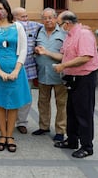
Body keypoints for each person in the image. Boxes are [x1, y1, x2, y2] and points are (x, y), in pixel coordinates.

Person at [0, 0, 30, 153]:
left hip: (16, 69)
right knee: (1, 103)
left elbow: (23, 49)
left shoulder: (18, 27)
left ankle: (10, 136)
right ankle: (2, 135)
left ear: (7, 10)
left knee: (13, 104)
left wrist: (17, 70)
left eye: (2, 8)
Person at [53, 11, 98, 158]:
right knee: (72, 110)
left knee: (84, 112)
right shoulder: (70, 35)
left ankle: (87, 146)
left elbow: (85, 57)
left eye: (59, 24)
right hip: (73, 77)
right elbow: (65, 55)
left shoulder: (83, 34)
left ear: (67, 23)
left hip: (85, 77)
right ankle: (72, 140)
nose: (58, 27)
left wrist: (63, 65)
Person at [33, 8, 67, 142]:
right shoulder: (38, 32)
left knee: (61, 104)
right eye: (45, 18)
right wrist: (36, 50)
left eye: (50, 17)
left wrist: (47, 53)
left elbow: (66, 56)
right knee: (43, 102)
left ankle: (60, 130)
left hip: (59, 75)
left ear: (56, 18)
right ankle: (44, 126)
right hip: (43, 74)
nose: (48, 20)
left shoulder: (64, 33)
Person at [12, 7, 43, 134]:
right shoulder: (9, 27)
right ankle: (8, 120)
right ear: (14, 18)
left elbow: (49, 24)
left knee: (26, 96)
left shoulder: (34, 26)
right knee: (11, 95)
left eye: (26, 16)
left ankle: (22, 122)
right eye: (22, 17)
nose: (26, 19)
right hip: (12, 68)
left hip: (28, 68)